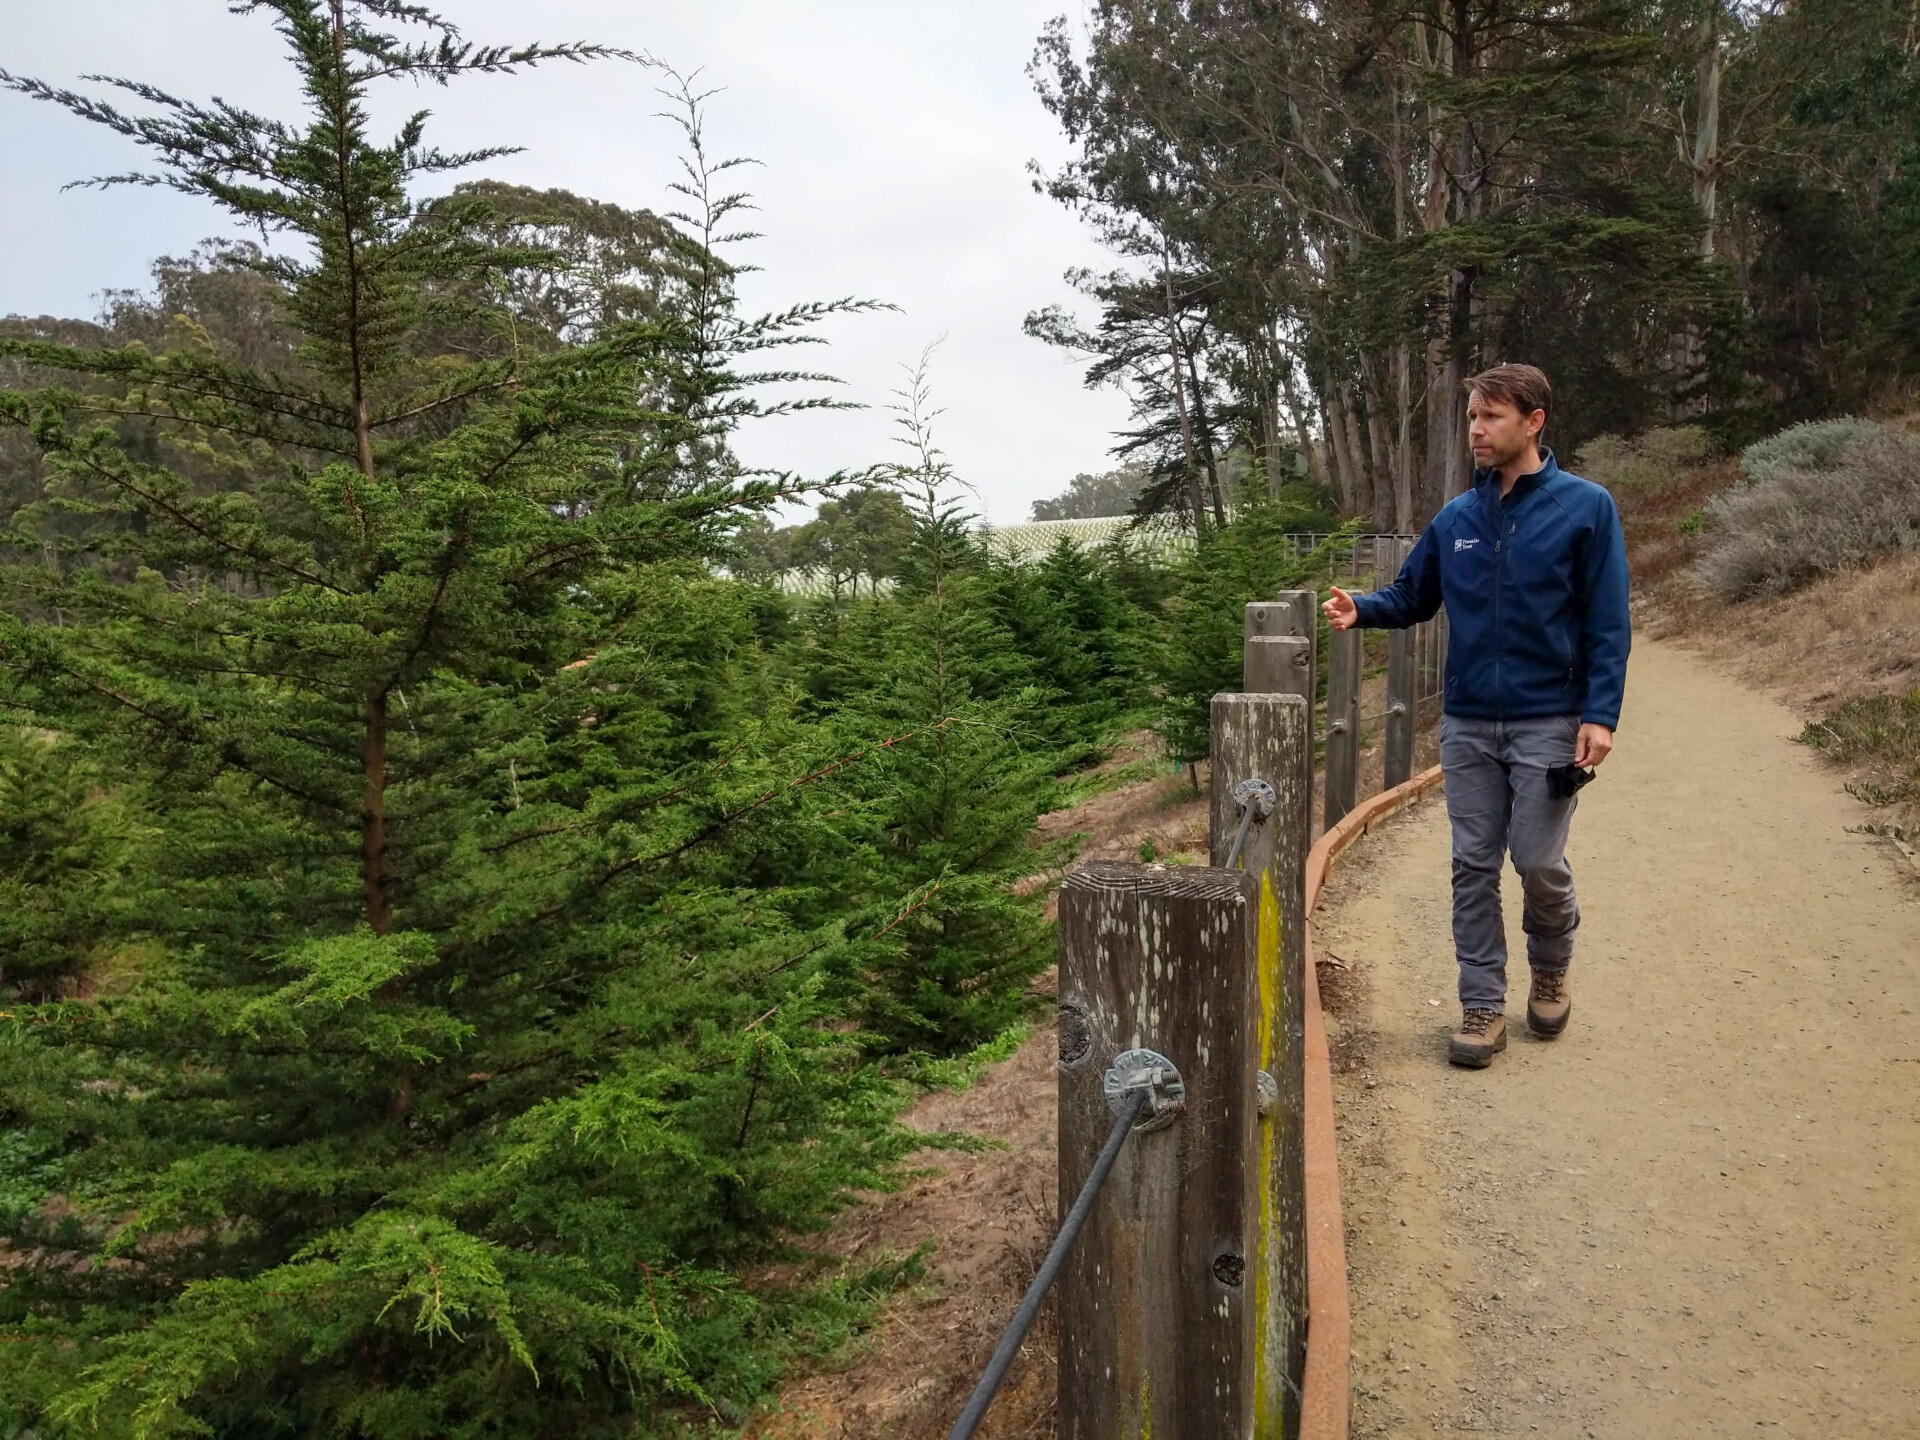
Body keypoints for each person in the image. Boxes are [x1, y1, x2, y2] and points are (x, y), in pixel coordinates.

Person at [1322, 364, 1629, 1068]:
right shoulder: (1458, 519)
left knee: (1539, 861)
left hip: (1550, 718)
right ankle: (1482, 1003)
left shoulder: (1587, 508)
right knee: (1471, 865)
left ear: (1534, 420)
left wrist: (1600, 714)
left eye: (1491, 417)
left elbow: (1608, 621)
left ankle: (1551, 964)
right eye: (1472, 418)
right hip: (1466, 724)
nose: (1477, 431)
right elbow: (1412, 597)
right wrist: (1361, 609)